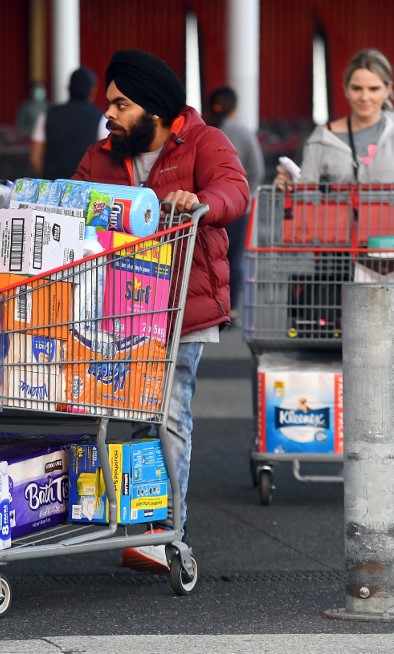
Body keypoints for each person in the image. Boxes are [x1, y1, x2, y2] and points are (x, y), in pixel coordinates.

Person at [73, 50, 249, 572]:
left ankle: (166, 528)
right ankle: (143, 520)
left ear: (152, 108)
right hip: (113, 312)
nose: (109, 113)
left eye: (120, 103)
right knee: (129, 412)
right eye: (108, 102)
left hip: (182, 309)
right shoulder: (101, 155)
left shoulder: (203, 141)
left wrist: (202, 202)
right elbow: (69, 206)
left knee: (168, 413)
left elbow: (233, 190)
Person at [277, 49, 394, 186]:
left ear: (387, 89)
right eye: (357, 88)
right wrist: (289, 186)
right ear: (346, 89)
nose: (364, 97)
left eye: (373, 89)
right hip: (337, 225)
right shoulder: (321, 138)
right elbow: (306, 198)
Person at [204, 86, 264, 320]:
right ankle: (232, 308)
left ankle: (210, 306)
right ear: (234, 107)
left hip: (206, 208)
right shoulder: (243, 133)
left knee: (208, 258)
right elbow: (257, 169)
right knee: (235, 258)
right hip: (239, 208)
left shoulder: (203, 130)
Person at [29, 67, 109, 179]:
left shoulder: (47, 115)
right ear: (93, 90)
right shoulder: (101, 119)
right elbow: (106, 161)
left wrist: (46, 183)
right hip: (84, 191)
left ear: (68, 88)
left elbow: (35, 157)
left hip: (52, 189)